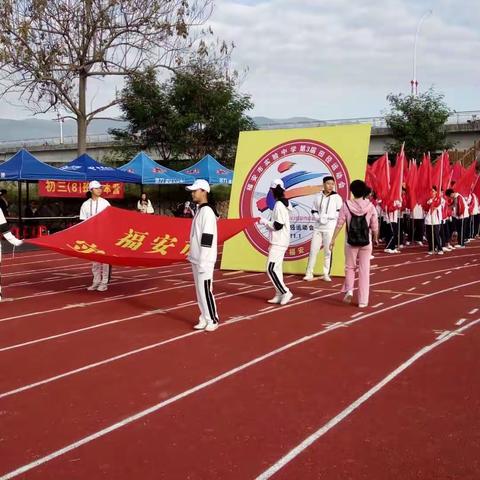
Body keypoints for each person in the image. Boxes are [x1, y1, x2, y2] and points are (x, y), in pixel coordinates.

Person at [330, 180, 379, 308]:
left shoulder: (346, 205)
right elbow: (375, 224)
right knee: (364, 270)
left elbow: (340, 223)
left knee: (350, 267)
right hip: (366, 242)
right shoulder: (370, 206)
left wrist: (333, 239)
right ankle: (363, 301)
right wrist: (375, 237)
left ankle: (349, 290)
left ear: (352, 191)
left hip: (350, 242)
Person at [186, 179, 219, 332]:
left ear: (204, 191)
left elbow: (207, 238)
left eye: (195, 190)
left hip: (204, 259)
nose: (193, 193)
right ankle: (204, 317)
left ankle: (212, 318)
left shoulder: (207, 212)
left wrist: (203, 261)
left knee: (205, 289)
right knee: (200, 290)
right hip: (196, 257)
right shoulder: (200, 210)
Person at [258, 178, 293, 305]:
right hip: (280, 240)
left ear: (273, 191)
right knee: (276, 269)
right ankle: (279, 293)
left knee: (270, 268)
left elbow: (278, 225)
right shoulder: (283, 204)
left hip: (279, 241)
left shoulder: (279, 205)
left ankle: (285, 291)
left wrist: (264, 222)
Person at [303, 176, 343, 282]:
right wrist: (318, 218)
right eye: (328, 183)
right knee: (313, 250)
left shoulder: (337, 197)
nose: (330, 186)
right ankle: (309, 273)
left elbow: (339, 212)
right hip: (318, 227)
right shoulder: (318, 196)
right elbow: (314, 210)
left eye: (332, 184)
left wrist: (328, 217)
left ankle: (326, 273)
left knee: (328, 251)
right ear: (324, 184)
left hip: (330, 227)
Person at [79, 181, 111, 291]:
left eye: (100, 188)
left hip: (104, 235)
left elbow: (111, 219)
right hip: (92, 236)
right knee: (95, 261)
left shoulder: (105, 203)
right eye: (97, 188)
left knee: (105, 260)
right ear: (91, 190)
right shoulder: (85, 205)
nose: (100, 190)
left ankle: (104, 282)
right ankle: (96, 281)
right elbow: (83, 221)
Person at [424, 186, 443, 255]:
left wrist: (431, 203)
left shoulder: (438, 199)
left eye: (433, 191)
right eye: (431, 191)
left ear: (436, 192)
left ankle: (440, 248)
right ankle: (431, 248)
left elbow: (435, 207)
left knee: (436, 235)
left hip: (435, 220)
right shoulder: (428, 199)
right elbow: (425, 208)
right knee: (429, 235)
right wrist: (427, 203)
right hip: (428, 220)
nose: (431, 193)